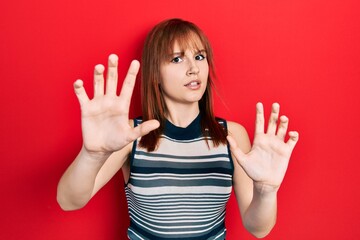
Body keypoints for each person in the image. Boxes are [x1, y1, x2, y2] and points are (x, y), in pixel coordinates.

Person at [57, 18, 299, 239]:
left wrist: (266, 191)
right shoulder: (129, 134)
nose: (193, 68)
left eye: (200, 56)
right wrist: (92, 155)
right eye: (177, 58)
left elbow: (258, 228)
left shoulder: (232, 136)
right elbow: (68, 201)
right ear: (156, 74)